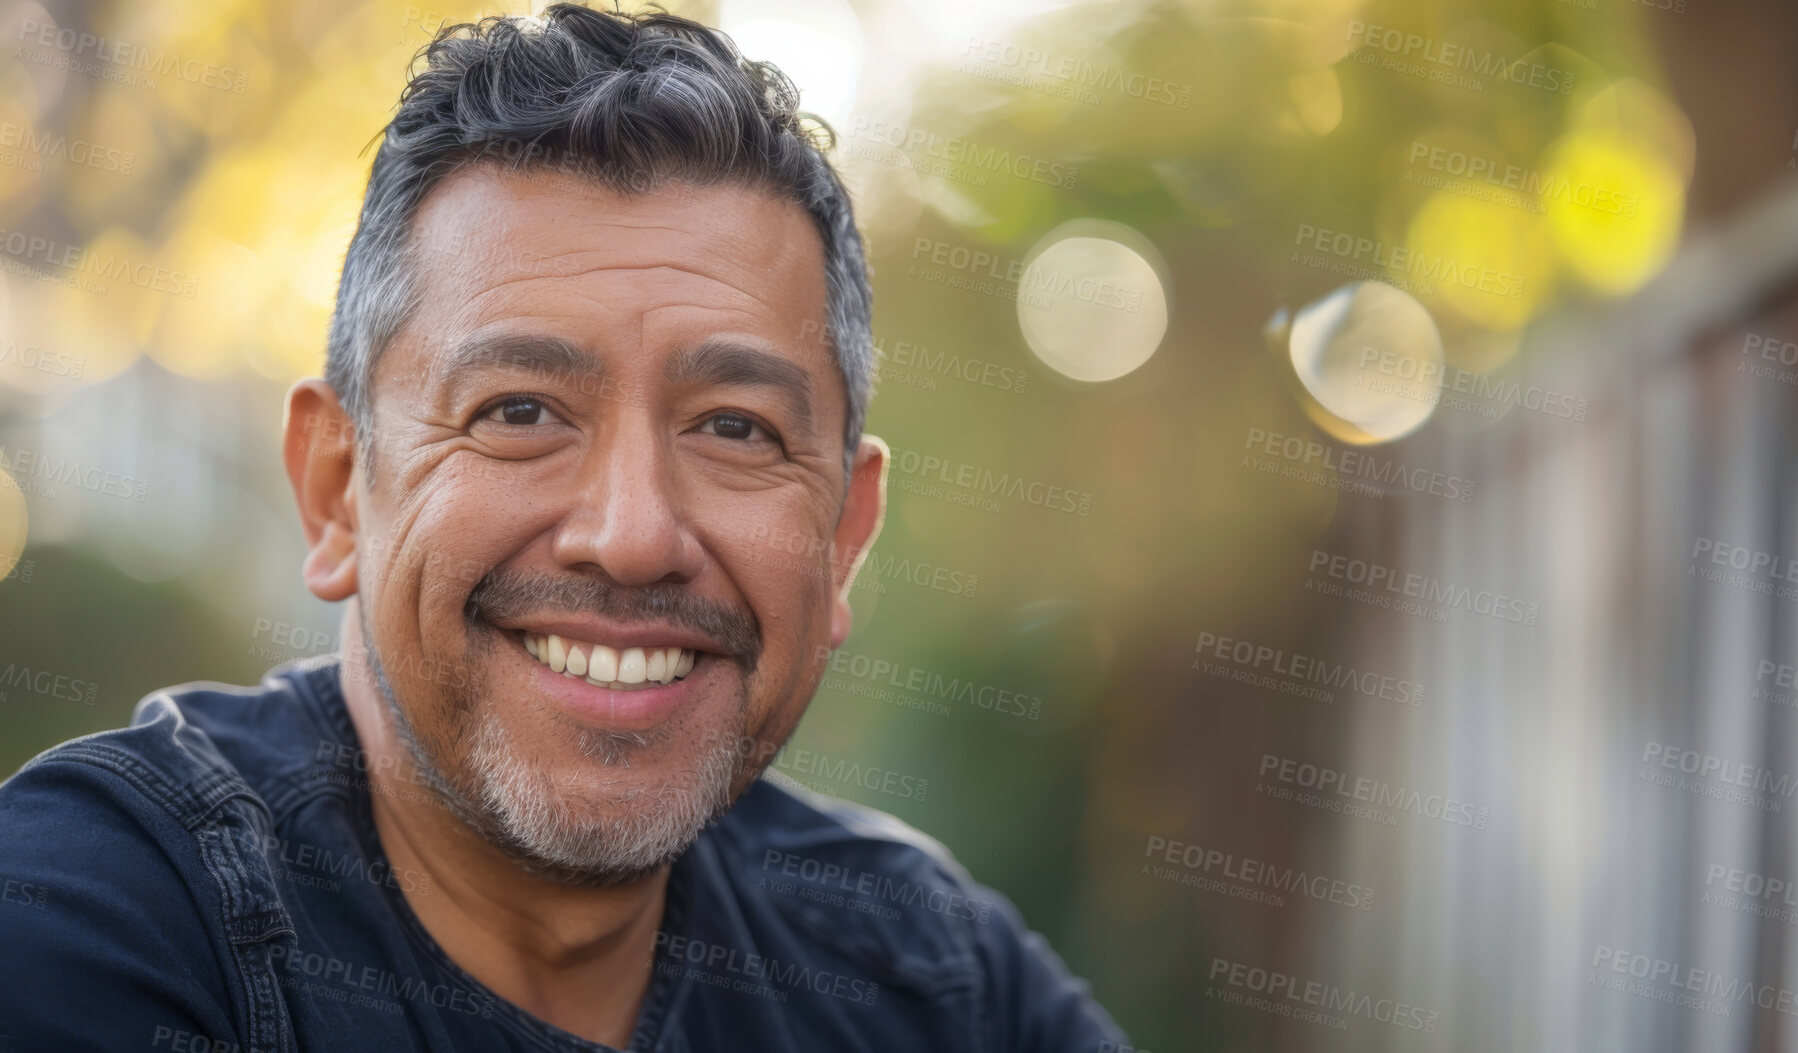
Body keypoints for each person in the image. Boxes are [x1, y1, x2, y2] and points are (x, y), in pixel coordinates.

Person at [0, 6, 1127, 1050]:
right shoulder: (94, 926)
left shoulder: (929, 984)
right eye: (520, 412)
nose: (633, 536)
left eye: (735, 427)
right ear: (339, 489)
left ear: (844, 536)